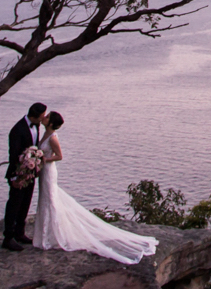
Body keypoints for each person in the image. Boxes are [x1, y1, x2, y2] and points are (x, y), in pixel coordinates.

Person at [30, 112, 160, 263]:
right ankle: (46, 234)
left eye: (47, 117)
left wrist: (44, 159)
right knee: (46, 199)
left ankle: (50, 236)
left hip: (49, 171)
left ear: (51, 123)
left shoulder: (52, 138)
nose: (44, 118)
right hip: (44, 172)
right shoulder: (45, 132)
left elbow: (59, 156)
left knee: (50, 201)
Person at [2, 102, 47, 251]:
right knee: (14, 205)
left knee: (25, 203)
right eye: (42, 116)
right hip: (19, 174)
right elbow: (13, 155)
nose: (44, 118)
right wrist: (14, 177)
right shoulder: (17, 130)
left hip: (30, 173)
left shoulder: (36, 126)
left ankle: (19, 232)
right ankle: (8, 238)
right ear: (34, 116)